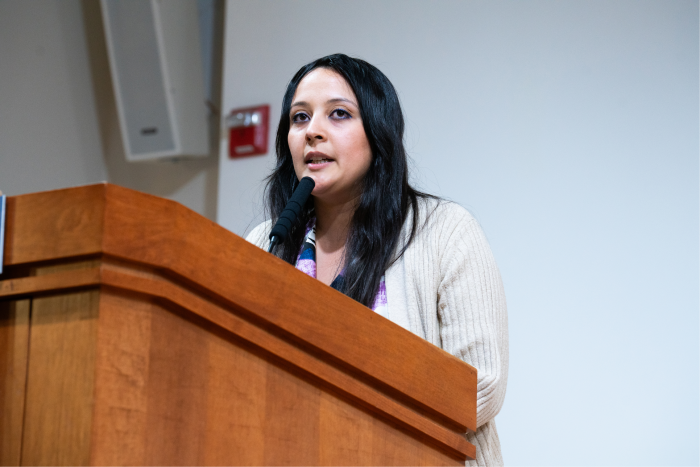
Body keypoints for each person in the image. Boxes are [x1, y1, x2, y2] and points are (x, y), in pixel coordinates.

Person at [246, 54, 508, 467]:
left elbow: (480, 384)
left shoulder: (443, 231)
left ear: (378, 133)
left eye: (338, 114)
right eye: (299, 118)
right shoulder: (267, 243)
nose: (313, 131)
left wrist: (346, 427)